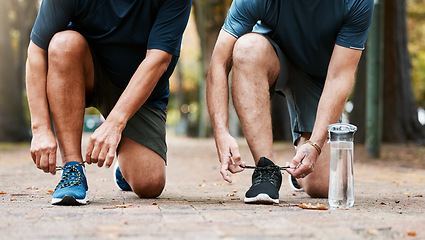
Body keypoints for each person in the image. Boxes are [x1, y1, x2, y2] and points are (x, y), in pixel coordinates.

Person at [26, 0, 192, 205]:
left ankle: (125, 164)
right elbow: (36, 51)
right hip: (87, 72)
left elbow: (159, 60)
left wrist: (114, 124)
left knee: (149, 183)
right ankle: (72, 167)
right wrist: (40, 128)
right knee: (63, 43)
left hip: (139, 87)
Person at [207, 0, 373, 204]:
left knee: (324, 186)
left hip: (320, 79)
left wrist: (315, 144)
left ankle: (298, 169)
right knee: (246, 48)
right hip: (271, 57)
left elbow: (339, 77)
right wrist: (221, 133)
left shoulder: (356, 3)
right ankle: (265, 169)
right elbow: (219, 61)